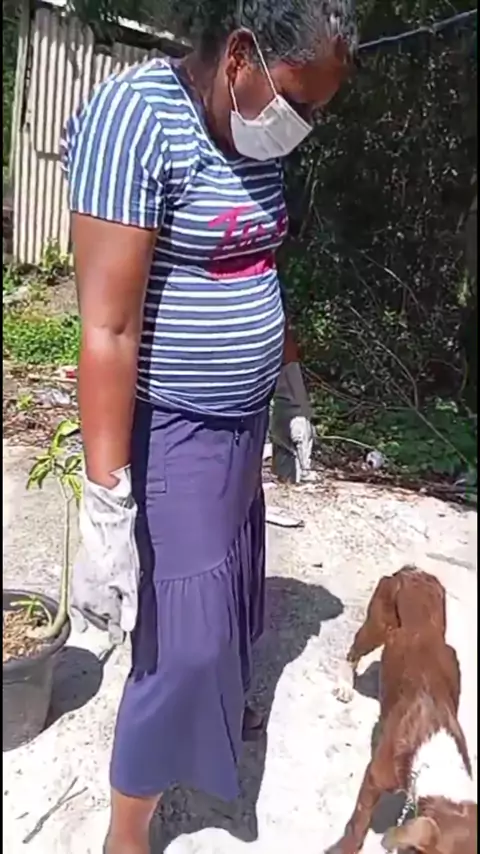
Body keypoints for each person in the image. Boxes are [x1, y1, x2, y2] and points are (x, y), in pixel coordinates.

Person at [62, 0, 356, 850]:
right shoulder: (138, 120)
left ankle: (222, 709)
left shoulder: (254, 138)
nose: (305, 126)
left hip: (241, 421)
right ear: (238, 57)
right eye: (299, 102)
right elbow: (107, 329)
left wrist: (289, 388)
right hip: (174, 427)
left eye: (318, 111)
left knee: (230, 587)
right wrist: (106, 502)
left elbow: (259, 260)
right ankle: (127, 833)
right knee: (181, 645)